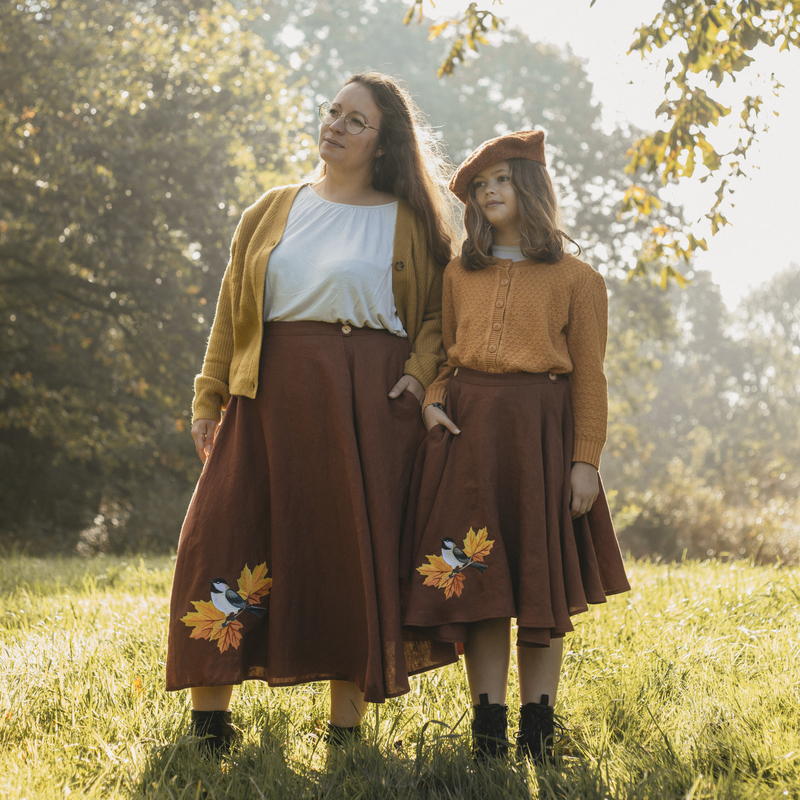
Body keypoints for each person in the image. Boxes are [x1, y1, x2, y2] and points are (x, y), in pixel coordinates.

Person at [165, 71, 458, 753]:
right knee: (228, 534)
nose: (336, 125)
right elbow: (230, 311)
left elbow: (441, 314)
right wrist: (210, 395)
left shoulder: (410, 219)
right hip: (266, 394)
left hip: (366, 403)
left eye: (357, 121)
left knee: (347, 550)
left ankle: (345, 733)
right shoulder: (271, 209)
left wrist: (417, 379)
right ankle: (211, 722)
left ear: (384, 145)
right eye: (334, 112)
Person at [400, 129, 630, 762]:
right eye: (479, 185)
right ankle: (488, 727)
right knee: (478, 581)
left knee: (538, 582)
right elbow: (448, 356)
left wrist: (586, 460)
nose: (489, 192)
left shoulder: (578, 280)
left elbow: (590, 374)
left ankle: (538, 725)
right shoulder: (459, 273)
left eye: (501, 179)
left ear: (530, 186)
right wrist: (434, 402)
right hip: (471, 439)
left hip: (541, 438)